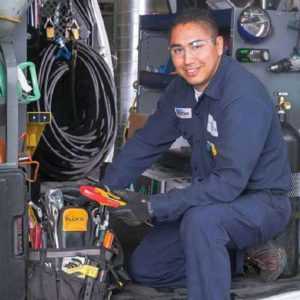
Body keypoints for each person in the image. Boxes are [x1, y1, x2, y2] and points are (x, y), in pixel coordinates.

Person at [102, 9, 292, 300]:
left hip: (261, 203)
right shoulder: (180, 90)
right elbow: (147, 143)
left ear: (219, 46)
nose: (188, 60)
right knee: (146, 268)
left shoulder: (242, 97)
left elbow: (229, 183)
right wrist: (105, 190)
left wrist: (153, 206)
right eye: (178, 50)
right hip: (213, 199)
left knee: (202, 222)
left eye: (196, 46)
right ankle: (245, 259)